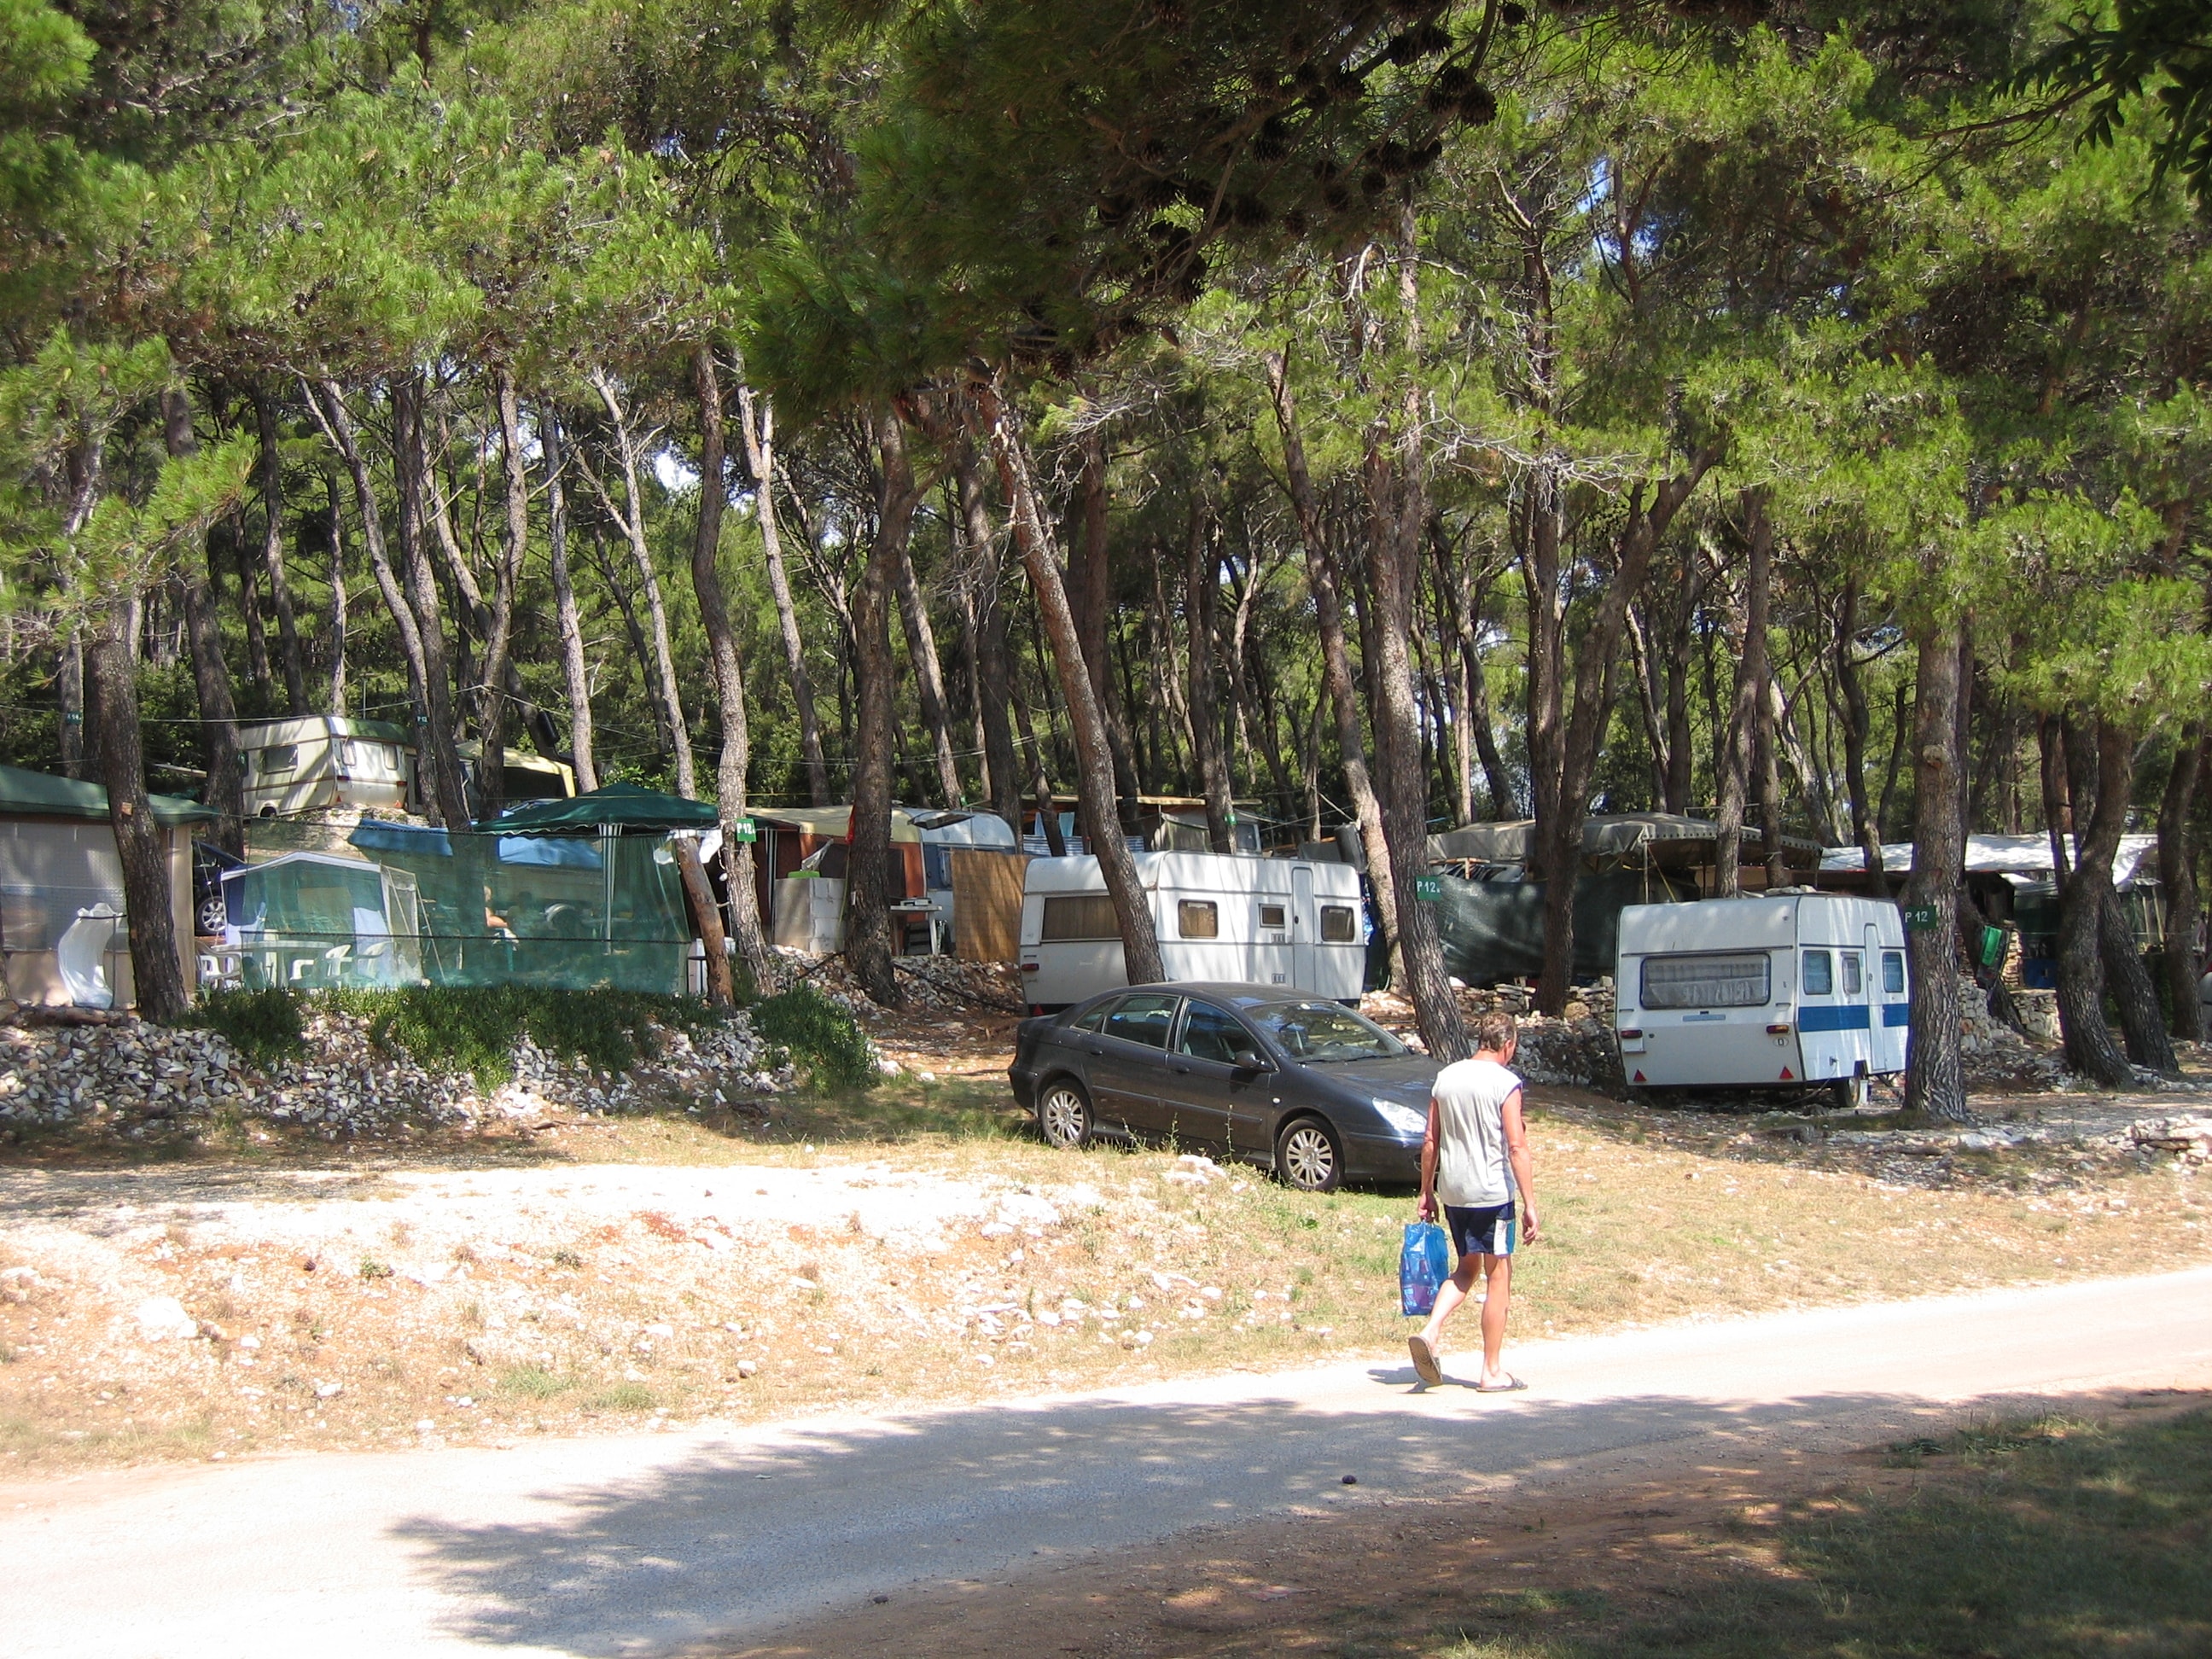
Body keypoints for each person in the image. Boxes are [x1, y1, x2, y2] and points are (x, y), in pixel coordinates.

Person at [1409, 1009, 1539, 1391]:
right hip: (1492, 1193)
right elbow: (1516, 1146)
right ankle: (1491, 1371)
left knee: (1466, 1269)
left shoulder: (1446, 1078)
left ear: (1479, 1039)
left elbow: (1430, 1139)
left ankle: (1431, 1330)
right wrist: (1530, 1203)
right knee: (1498, 1276)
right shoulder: (1506, 1083)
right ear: (1509, 1044)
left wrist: (1426, 1190)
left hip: (1455, 1191)